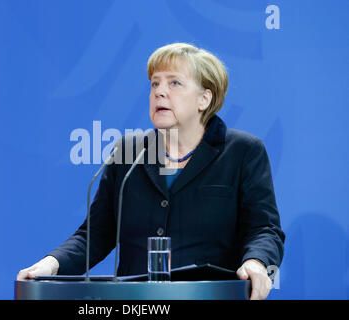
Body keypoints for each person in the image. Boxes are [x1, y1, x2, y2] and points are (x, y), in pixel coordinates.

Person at [17, 43, 285, 300]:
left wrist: (257, 262)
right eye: (155, 83)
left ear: (205, 98)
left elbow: (264, 228)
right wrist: (50, 264)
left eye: (174, 82)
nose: (159, 91)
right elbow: (95, 234)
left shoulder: (242, 151)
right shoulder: (129, 152)